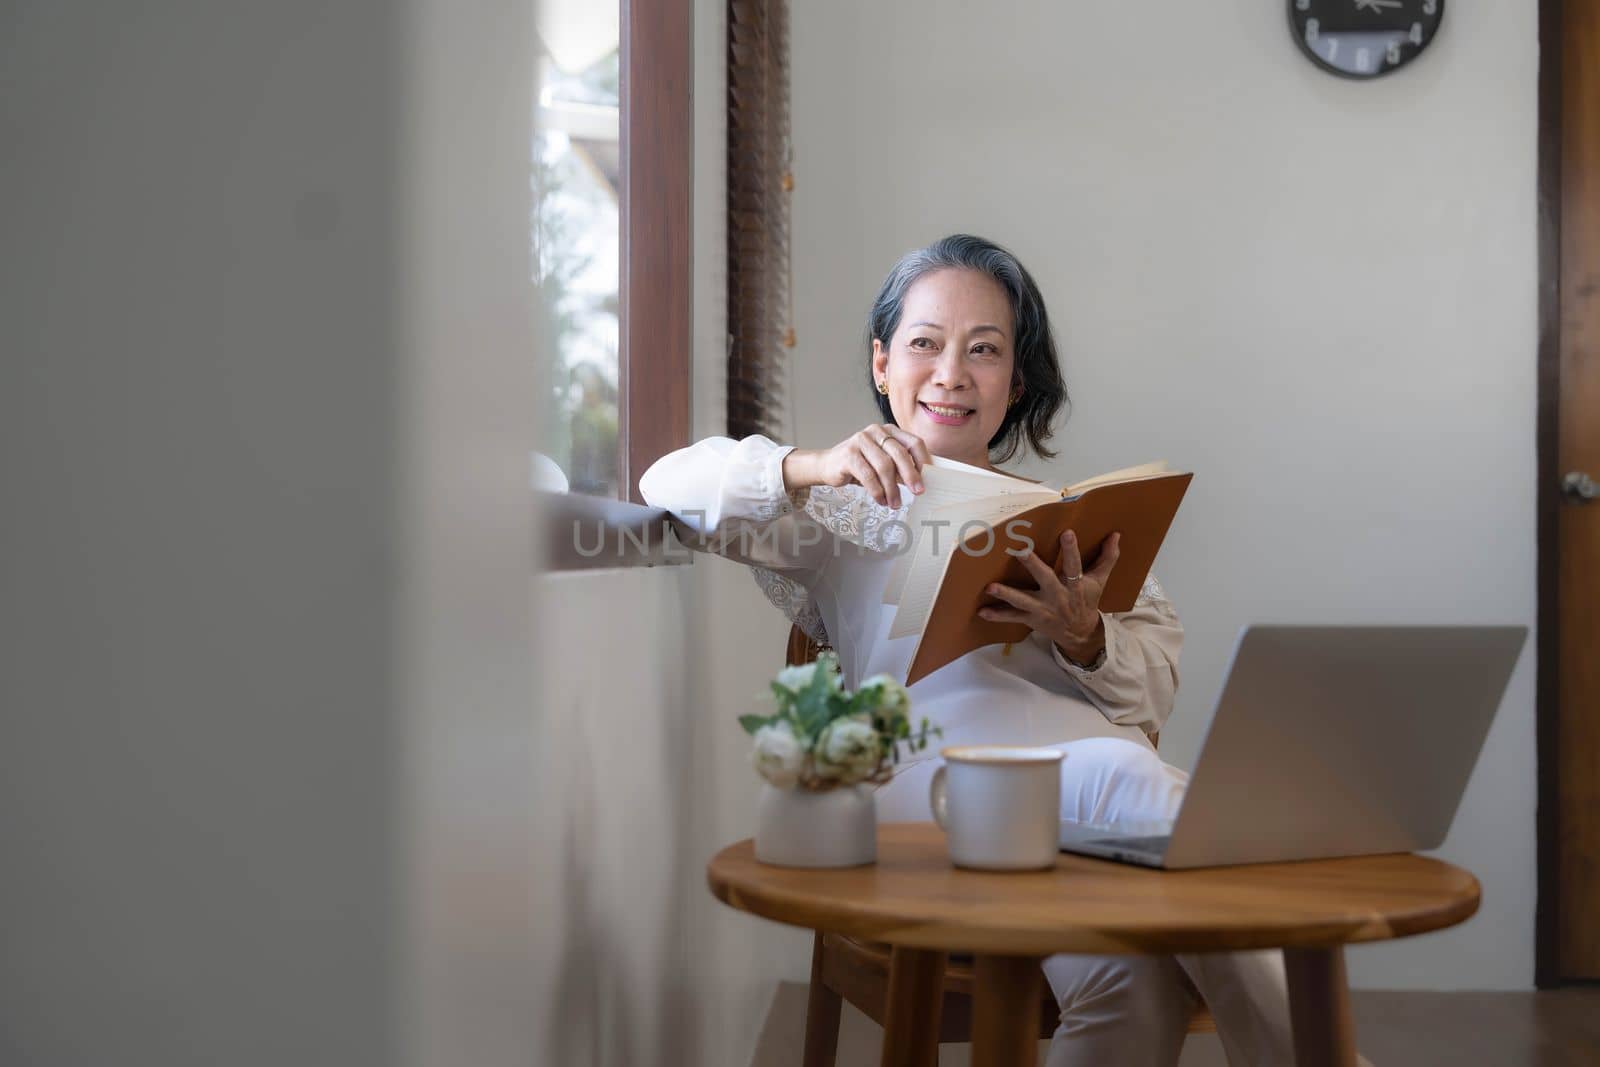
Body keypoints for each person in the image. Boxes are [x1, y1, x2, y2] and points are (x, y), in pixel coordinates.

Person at [640, 234, 1311, 1065]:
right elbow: (665, 481)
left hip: (1091, 820)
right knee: (1152, 789)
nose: (952, 372)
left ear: (1016, 381)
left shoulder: (1078, 522)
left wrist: (1084, 634)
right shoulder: (839, 511)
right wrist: (812, 465)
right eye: (925, 343)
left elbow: (1153, 692)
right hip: (935, 796)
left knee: (1130, 979)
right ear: (883, 364)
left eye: (984, 350)